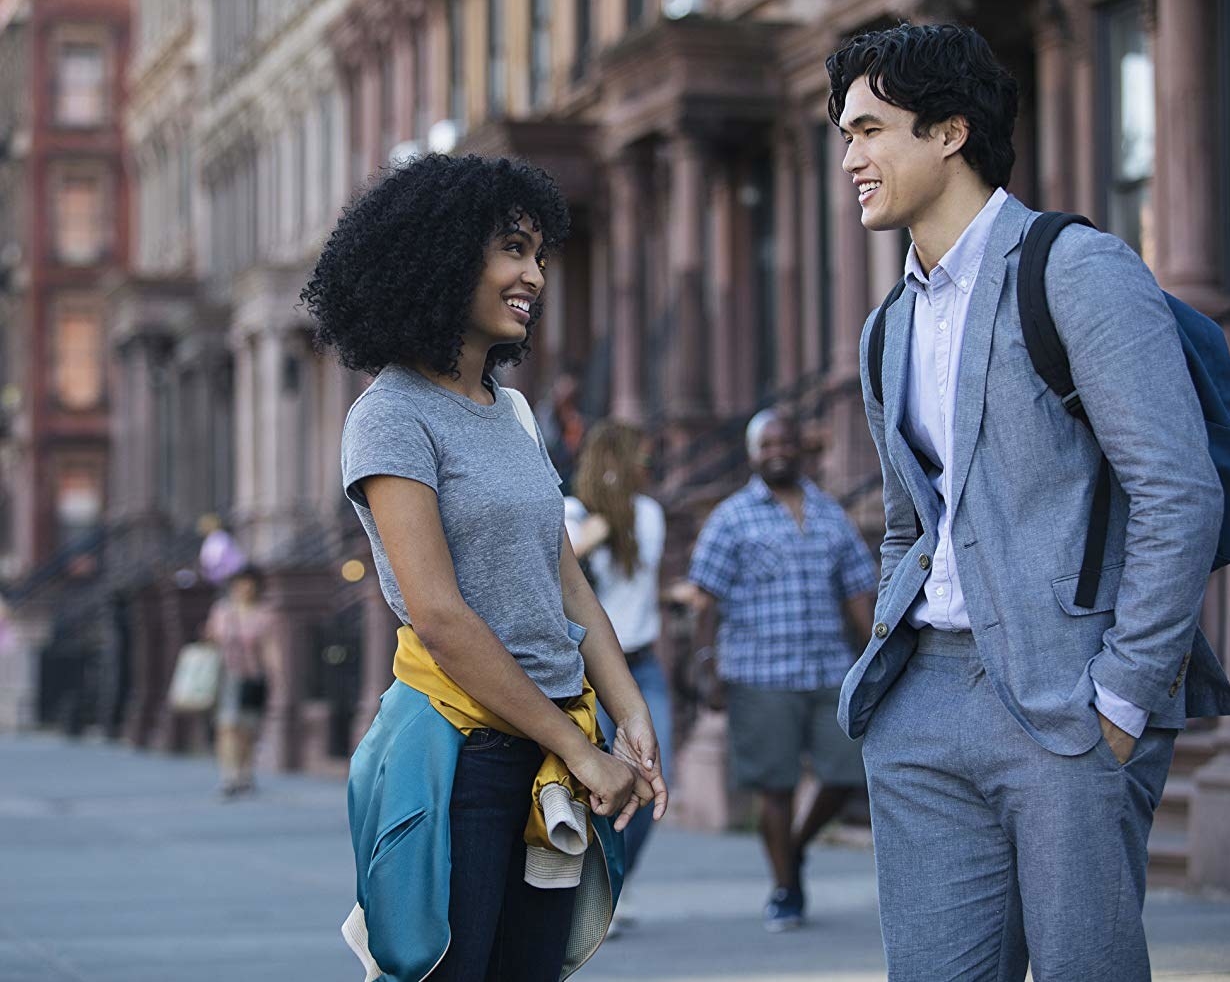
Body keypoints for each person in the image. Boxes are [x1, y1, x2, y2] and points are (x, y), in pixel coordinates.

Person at [827, 23, 1230, 980]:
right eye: (845, 135)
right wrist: (893, 687)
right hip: (920, 705)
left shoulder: (1076, 272)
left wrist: (1124, 697)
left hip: (1068, 704)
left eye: (870, 130)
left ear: (950, 131)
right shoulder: (886, 325)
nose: (850, 158)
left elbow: (1177, 492)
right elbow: (905, 524)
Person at [302, 152, 667, 982]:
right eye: (511, 248)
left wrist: (629, 710)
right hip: (459, 753)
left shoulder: (513, 412)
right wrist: (578, 752)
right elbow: (439, 613)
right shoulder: (389, 415)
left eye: (537, 254)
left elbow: (565, 577)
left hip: (550, 753)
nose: (532, 275)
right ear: (440, 257)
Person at [687, 409, 877, 932]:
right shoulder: (731, 516)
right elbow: (705, 601)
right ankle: (786, 888)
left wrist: (876, 655)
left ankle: (792, 849)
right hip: (759, 674)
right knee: (776, 785)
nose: (778, 452)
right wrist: (707, 669)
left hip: (828, 669)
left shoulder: (830, 513)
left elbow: (859, 589)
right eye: (767, 445)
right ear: (753, 454)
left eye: (786, 444)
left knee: (846, 770)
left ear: (802, 450)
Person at [564, 421, 669, 928]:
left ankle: (613, 879)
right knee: (598, 784)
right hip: (590, 675)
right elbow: (559, 584)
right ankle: (594, 890)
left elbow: (638, 587)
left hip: (643, 666)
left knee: (651, 779)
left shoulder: (650, 515)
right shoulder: (570, 515)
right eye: (641, 461)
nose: (647, 471)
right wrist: (590, 539)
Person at [203, 564, 273, 798]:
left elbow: (270, 648)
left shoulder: (263, 613)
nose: (244, 588)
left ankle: (245, 772)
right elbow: (210, 639)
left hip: (252, 677)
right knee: (227, 727)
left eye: (249, 583)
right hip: (226, 676)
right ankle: (229, 776)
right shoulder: (221, 611)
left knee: (248, 728)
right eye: (240, 583)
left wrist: (275, 675)